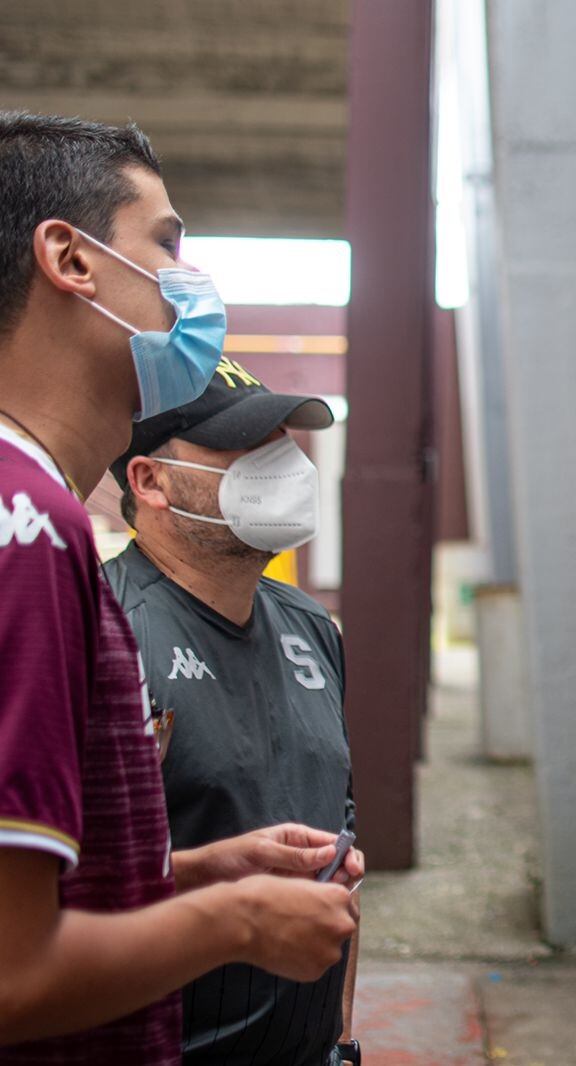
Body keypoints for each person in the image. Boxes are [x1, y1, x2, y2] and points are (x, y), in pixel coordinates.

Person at [0, 111, 359, 1065]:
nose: (191, 283)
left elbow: (53, 887)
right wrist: (237, 920)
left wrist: (193, 871)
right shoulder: (28, 527)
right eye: (165, 244)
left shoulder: (33, 515)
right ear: (70, 260)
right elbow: (10, 972)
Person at [104, 364, 363, 1066]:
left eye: (282, 440)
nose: (284, 465)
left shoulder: (312, 628)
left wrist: (340, 1041)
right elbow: (46, 898)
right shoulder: (102, 631)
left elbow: (341, 864)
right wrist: (212, 880)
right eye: (243, 445)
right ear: (150, 481)